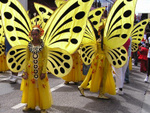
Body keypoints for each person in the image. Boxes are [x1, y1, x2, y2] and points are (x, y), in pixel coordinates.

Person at [21, 26, 52, 113]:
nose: (34, 36)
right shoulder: (29, 45)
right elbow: (27, 58)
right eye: (32, 34)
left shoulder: (44, 46)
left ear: (40, 35)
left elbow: (45, 59)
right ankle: (30, 105)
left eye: (36, 34)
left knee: (41, 87)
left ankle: (43, 107)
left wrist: (43, 71)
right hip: (31, 70)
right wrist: (25, 71)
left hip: (40, 70)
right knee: (31, 87)